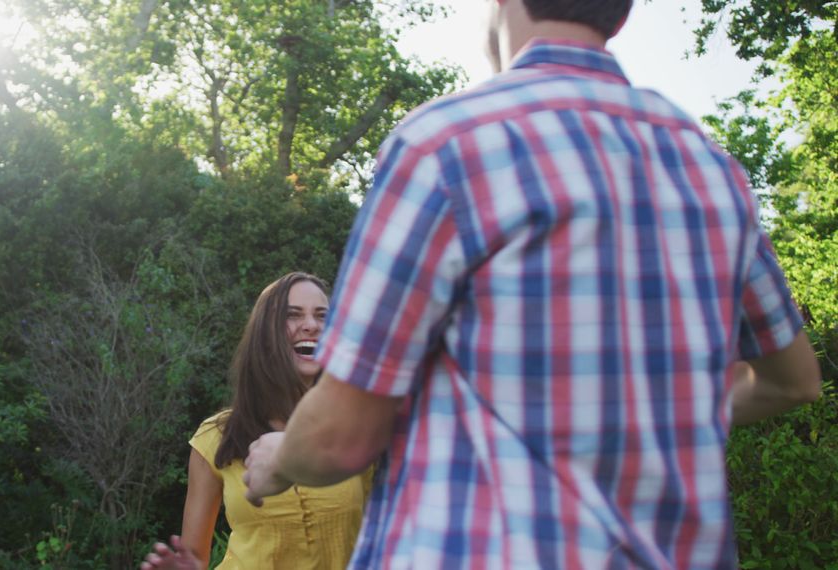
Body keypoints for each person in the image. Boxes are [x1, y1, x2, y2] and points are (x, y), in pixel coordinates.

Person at [243, 1, 822, 568]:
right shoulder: (710, 168)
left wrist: (277, 461)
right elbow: (794, 381)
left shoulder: (447, 143)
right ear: (619, 15)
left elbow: (338, 437)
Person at [141, 272, 371, 570]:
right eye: (293, 315)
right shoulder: (215, 437)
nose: (312, 325)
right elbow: (195, 557)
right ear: (265, 333)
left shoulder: (359, 427)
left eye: (322, 316)